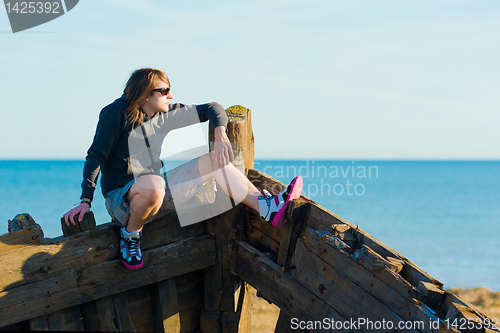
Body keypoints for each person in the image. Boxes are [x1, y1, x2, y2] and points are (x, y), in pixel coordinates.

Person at [63, 68, 303, 269]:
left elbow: (213, 107)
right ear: (146, 95)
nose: (170, 95)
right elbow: (95, 156)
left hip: (156, 192)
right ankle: (130, 237)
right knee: (154, 184)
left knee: (213, 160)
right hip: (121, 200)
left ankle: (266, 207)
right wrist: (85, 200)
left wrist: (220, 133)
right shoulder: (115, 113)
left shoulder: (164, 115)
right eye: (164, 90)